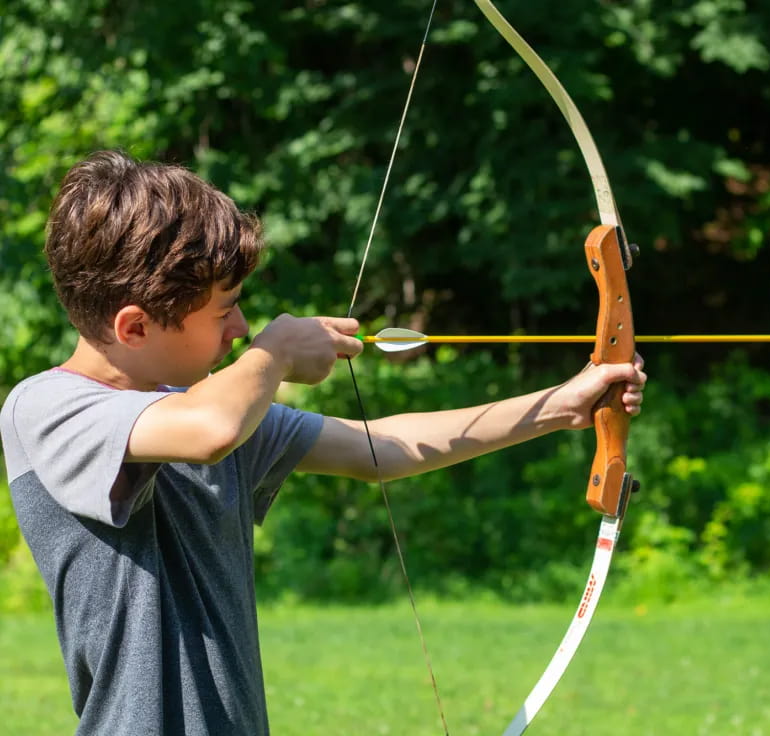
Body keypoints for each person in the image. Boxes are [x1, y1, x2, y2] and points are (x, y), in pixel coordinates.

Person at [0, 150, 646, 735]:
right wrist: (275, 352)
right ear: (134, 327)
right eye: (225, 309)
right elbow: (207, 432)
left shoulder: (212, 409)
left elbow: (380, 448)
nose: (242, 327)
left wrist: (560, 405)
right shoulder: (48, 409)